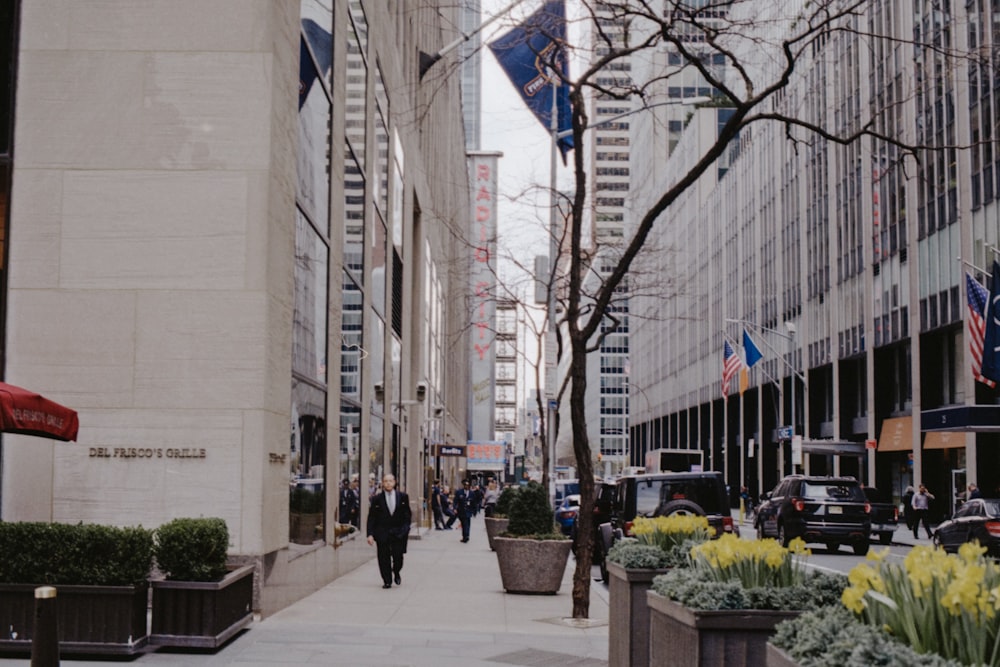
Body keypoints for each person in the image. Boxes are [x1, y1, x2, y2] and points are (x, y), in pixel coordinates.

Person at [366, 473, 412, 588]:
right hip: (382, 533)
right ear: (382, 483)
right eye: (386, 481)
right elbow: (371, 517)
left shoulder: (402, 497)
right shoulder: (376, 499)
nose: (388, 483)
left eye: (390, 481)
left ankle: (396, 571)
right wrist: (370, 534)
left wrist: (405, 530)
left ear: (394, 482)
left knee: (398, 557)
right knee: (383, 557)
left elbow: (407, 516)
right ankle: (387, 580)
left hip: (398, 533)